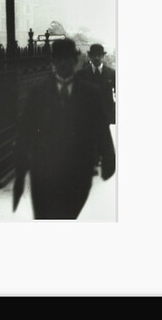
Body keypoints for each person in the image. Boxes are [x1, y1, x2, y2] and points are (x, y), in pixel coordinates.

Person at [12, 38, 116, 220]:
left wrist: (109, 159)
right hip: (44, 172)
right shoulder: (38, 93)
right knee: (45, 217)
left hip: (78, 172)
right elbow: (25, 133)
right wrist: (20, 173)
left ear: (75, 61)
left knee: (68, 216)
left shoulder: (90, 93)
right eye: (58, 59)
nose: (63, 64)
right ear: (53, 62)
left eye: (67, 59)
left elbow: (101, 128)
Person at [75, 43, 116, 126]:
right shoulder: (81, 74)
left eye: (99, 55)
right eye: (94, 55)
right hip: (87, 116)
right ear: (90, 56)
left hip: (105, 116)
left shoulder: (112, 73)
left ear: (103, 56)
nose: (97, 58)